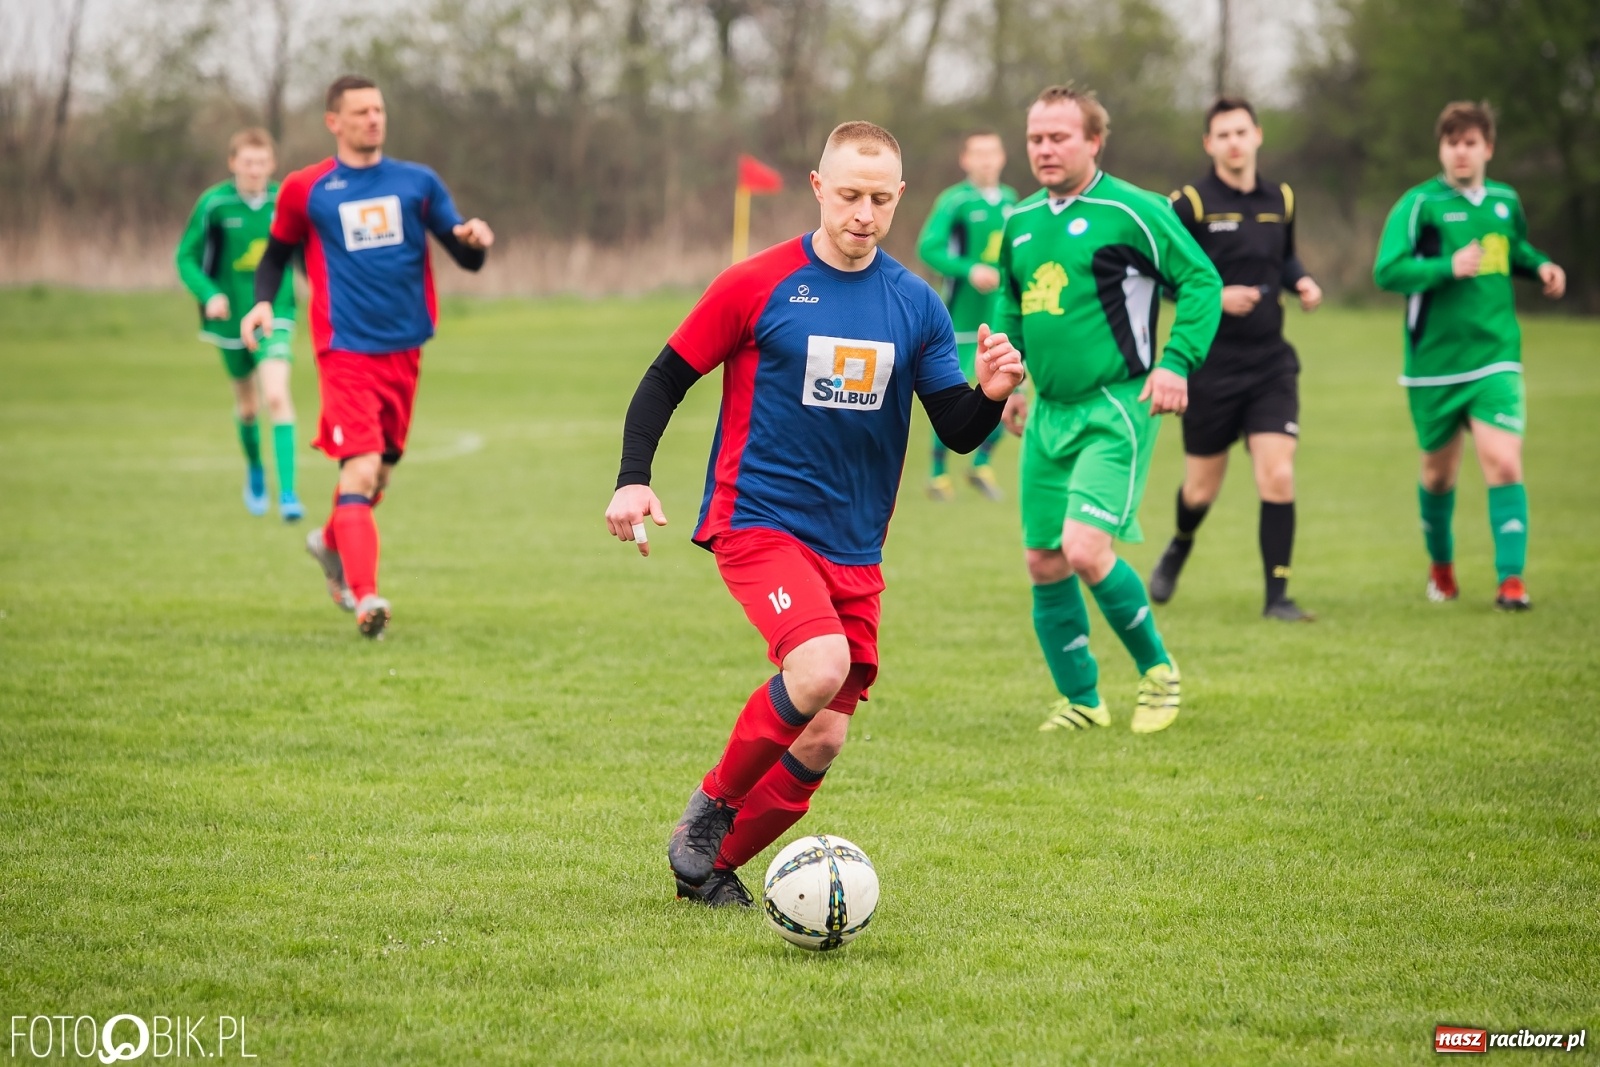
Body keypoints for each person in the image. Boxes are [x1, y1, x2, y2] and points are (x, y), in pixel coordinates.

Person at [604, 121, 1024, 908]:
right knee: (818, 665)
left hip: (855, 547)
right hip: (759, 519)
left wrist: (993, 392)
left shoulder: (916, 304)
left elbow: (958, 428)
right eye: (848, 195)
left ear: (899, 198)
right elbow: (666, 376)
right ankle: (709, 810)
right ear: (818, 188)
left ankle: (709, 867)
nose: (862, 213)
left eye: (878, 199)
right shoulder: (756, 282)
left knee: (825, 733)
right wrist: (634, 478)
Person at [994, 85, 1221, 735]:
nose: (1044, 148)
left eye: (1059, 136)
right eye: (1036, 137)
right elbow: (1011, 305)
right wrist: (1010, 383)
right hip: (1048, 413)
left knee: (1085, 548)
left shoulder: (1134, 210)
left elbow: (1202, 279)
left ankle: (1158, 670)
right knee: (1044, 559)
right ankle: (1082, 700)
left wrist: (1177, 360)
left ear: (1094, 140)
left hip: (1115, 405)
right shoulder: (1020, 221)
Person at [241, 75, 494, 638]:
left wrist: (471, 241)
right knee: (357, 468)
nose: (373, 119)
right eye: (360, 112)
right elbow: (275, 256)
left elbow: (461, 251)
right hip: (344, 348)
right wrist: (261, 305)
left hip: (404, 351)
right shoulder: (307, 189)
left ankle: (330, 542)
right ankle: (366, 596)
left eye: (378, 110)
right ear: (335, 121)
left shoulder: (417, 183)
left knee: (377, 475)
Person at [1373, 100, 1565, 610]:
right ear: (1441, 148)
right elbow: (1387, 271)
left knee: (1503, 461)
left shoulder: (1504, 201)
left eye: (1471, 143)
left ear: (1488, 148)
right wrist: (1445, 267)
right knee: (1438, 476)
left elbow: (1512, 249)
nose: (1461, 152)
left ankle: (1511, 581)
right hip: (1434, 366)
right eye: (1452, 143)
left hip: (1496, 354)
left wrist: (1541, 266)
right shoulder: (1419, 205)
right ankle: (1442, 568)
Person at [1147, 98, 1324, 621]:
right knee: (1201, 488)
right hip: (1210, 365)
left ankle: (1278, 598)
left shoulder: (1281, 198)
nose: (1233, 142)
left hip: (1271, 363)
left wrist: (1303, 280)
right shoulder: (1190, 204)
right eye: (1222, 134)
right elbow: (1159, 274)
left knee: (1278, 474)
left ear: (1257, 136)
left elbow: (1284, 255)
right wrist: (1214, 298)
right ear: (1209, 144)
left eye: (1241, 132)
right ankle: (1180, 542)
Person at [175, 128, 301, 520]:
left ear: (272, 165)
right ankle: (255, 470)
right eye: (247, 162)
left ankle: (289, 495)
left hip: (276, 312)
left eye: (262, 163)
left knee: (277, 397)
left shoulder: (286, 202)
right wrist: (209, 293)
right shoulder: (214, 204)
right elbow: (186, 257)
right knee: (248, 408)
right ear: (233, 163)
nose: (255, 170)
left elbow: (311, 251)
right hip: (230, 321)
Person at [916, 130, 1019, 501]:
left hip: (1002, 313)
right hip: (960, 316)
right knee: (952, 391)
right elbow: (928, 247)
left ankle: (981, 465)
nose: (986, 160)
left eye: (992, 152)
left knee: (1010, 384)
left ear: (1003, 157)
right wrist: (970, 269)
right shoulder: (954, 201)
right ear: (965, 160)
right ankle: (938, 474)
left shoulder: (1011, 201)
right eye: (978, 153)